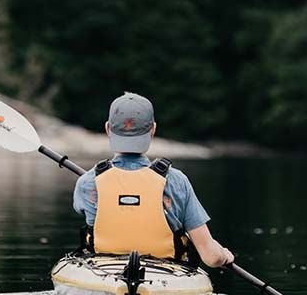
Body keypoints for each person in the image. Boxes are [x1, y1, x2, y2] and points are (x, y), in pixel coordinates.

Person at [73, 92, 234, 268]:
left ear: (108, 129)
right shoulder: (176, 181)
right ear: (153, 130)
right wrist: (224, 255)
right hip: (166, 273)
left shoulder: (87, 183)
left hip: (103, 271)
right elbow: (211, 258)